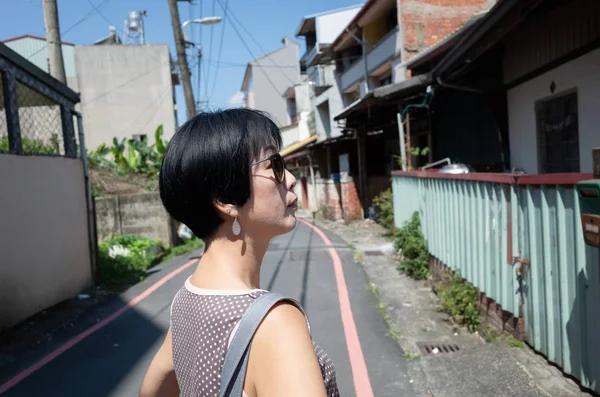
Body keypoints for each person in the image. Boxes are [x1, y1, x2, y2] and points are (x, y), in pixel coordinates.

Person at [139, 109, 339, 397]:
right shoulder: (275, 324)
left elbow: (152, 390)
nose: (292, 179)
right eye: (275, 165)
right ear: (226, 199)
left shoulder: (185, 301)